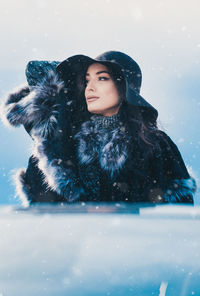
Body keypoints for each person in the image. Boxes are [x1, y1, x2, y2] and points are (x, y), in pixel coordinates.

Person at [1, 51, 196, 206]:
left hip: (137, 251)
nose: (90, 87)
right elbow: (40, 219)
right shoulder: (57, 146)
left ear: (124, 89)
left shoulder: (156, 144)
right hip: (75, 251)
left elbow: (176, 220)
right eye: (86, 80)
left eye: (101, 78)